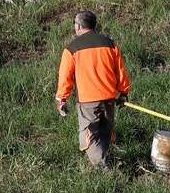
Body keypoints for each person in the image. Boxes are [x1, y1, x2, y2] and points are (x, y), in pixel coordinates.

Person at [55, 11, 131, 168]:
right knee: (104, 132)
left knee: (90, 135)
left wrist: (61, 99)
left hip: (88, 101)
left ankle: (103, 170)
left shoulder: (72, 48)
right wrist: (123, 93)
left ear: (78, 26)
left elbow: (65, 77)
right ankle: (105, 162)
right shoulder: (110, 44)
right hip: (110, 98)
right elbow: (120, 71)